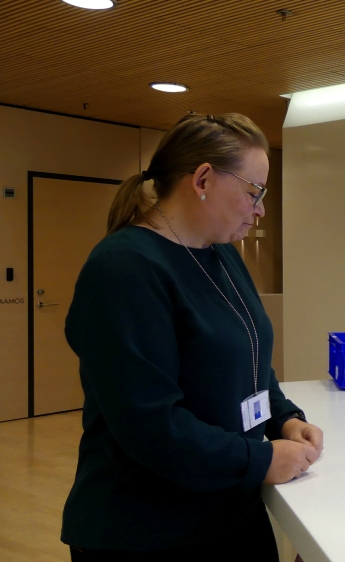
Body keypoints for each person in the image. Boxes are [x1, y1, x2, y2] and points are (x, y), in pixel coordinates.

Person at [61, 113, 323, 561]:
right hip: (151, 530)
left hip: (229, 508)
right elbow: (149, 424)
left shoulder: (220, 253)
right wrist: (258, 460)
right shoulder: (124, 268)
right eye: (253, 192)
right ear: (203, 178)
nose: (259, 209)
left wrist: (282, 417)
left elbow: (249, 357)